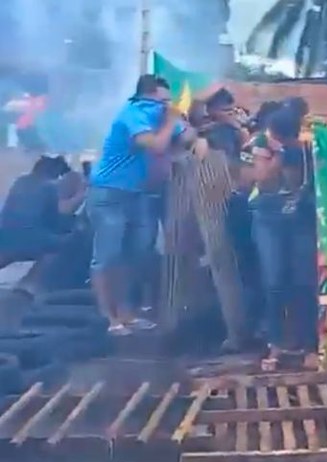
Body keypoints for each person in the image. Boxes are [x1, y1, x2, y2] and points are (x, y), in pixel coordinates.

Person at [87, 74, 200, 336]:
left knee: (136, 254)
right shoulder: (133, 114)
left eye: (167, 102)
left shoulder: (159, 117)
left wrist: (185, 125)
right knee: (107, 256)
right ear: (146, 97)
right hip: (109, 194)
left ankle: (127, 313)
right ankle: (110, 318)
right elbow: (157, 146)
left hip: (137, 194)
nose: (164, 106)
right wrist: (170, 119)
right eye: (161, 101)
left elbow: (187, 137)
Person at [242, 104, 319, 370]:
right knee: (273, 282)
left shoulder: (308, 149)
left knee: (304, 283)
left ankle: (309, 346)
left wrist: (294, 152)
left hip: (301, 221)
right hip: (268, 220)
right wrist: (280, 155)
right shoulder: (262, 144)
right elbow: (261, 179)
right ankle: (275, 345)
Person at [0, 155, 86, 295]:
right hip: (33, 238)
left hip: (5, 235)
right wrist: (80, 195)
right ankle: (29, 283)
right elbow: (59, 218)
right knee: (67, 244)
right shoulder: (49, 187)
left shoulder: (20, 181)